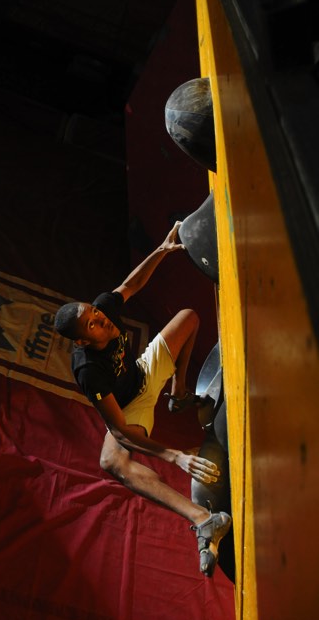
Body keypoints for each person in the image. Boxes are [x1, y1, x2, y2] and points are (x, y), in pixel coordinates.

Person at [53, 222, 232, 577]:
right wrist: (174, 456)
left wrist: (161, 251)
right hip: (129, 406)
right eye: (92, 324)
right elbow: (119, 430)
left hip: (144, 372)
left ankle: (178, 395)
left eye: (95, 312)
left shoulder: (103, 312)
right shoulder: (89, 371)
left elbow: (130, 285)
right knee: (111, 462)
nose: (101, 319)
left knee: (188, 318)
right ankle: (204, 520)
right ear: (83, 341)